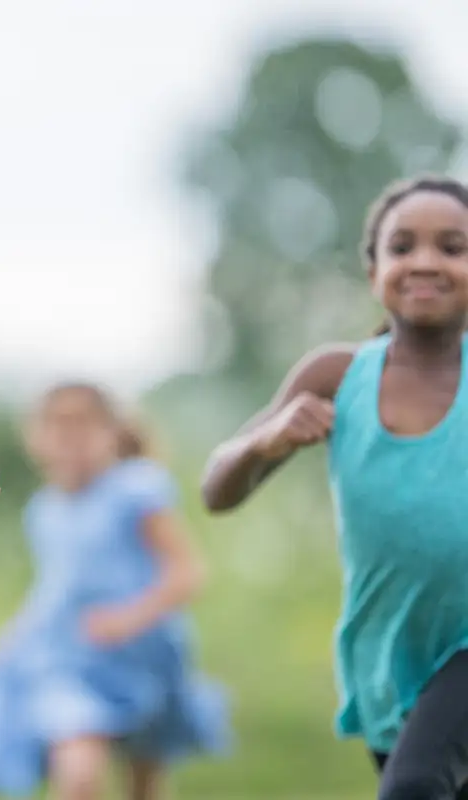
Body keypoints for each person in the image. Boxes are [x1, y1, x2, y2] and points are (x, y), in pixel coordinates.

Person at [201, 175, 468, 800]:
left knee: (414, 787)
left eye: (452, 246)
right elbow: (217, 489)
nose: (425, 261)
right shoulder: (336, 375)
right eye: (403, 247)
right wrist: (262, 445)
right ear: (373, 270)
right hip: (388, 654)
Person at [0, 383, 227, 800]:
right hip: (71, 659)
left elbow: (187, 572)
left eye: (83, 425)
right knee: (78, 769)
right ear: (34, 438)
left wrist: (130, 617)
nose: (69, 437)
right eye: (56, 425)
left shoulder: (138, 490)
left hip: (142, 656)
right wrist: (14, 636)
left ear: (113, 432)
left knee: (144, 779)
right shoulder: (45, 509)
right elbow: (55, 587)